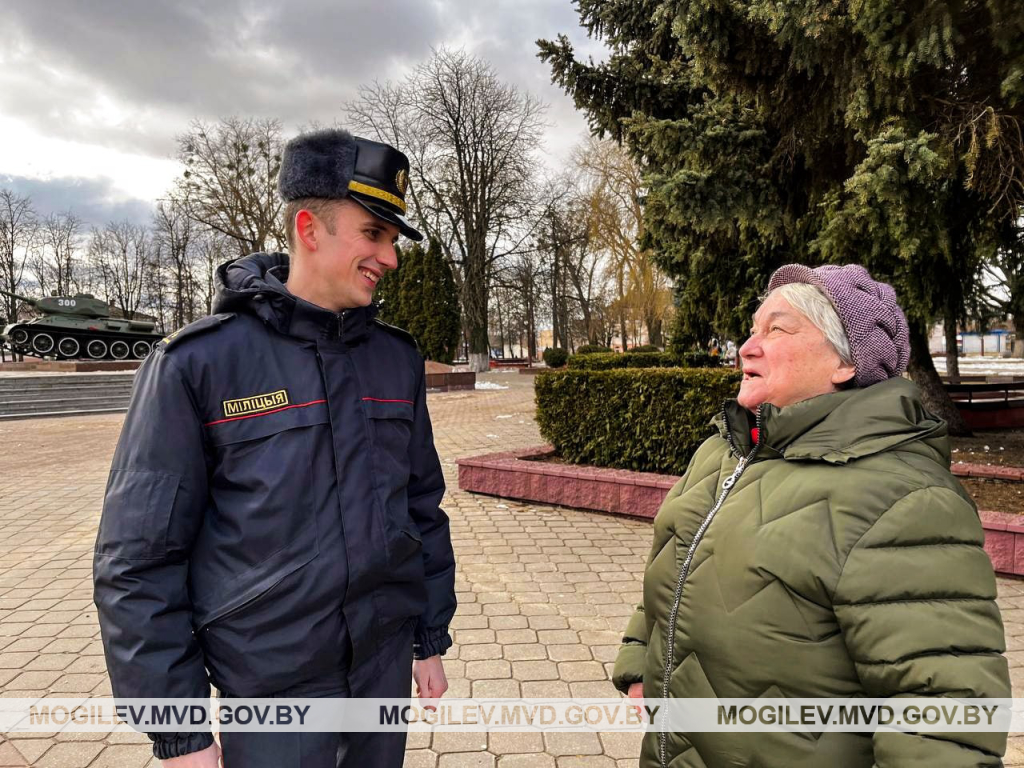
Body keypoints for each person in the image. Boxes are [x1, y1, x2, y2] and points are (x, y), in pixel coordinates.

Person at [94, 129, 456, 767]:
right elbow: (139, 559)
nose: (391, 257)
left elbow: (421, 507)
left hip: (380, 676)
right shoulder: (199, 364)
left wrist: (427, 636)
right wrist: (177, 728)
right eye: (374, 234)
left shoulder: (395, 361)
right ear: (310, 229)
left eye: (393, 240)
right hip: (271, 693)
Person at [613, 263, 1011, 767]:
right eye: (752, 329)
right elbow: (680, 564)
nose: (747, 347)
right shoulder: (723, 452)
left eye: (776, 329)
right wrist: (639, 654)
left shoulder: (903, 499)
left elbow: (945, 711)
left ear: (847, 363)